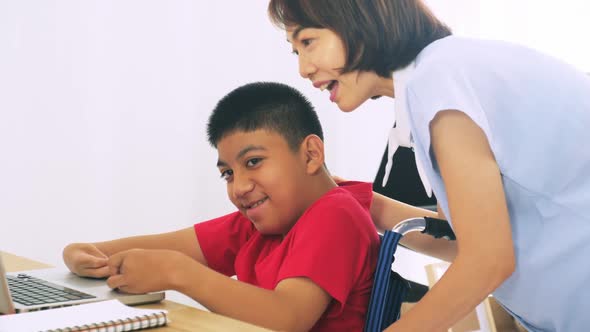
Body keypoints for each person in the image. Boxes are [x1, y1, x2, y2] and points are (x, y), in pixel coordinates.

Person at [268, 0, 590, 331]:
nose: (303, 69)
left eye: (308, 42)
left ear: (357, 19)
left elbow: (487, 260)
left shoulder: (439, 80)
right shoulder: (441, 77)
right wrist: (359, 203)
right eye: (296, 52)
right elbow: (463, 241)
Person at [62, 82, 380, 331]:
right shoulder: (260, 224)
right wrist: (81, 253)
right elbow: (123, 251)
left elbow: (287, 318)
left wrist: (178, 272)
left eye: (253, 162)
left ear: (311, 154)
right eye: (228, 173)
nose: (239, 187)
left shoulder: (335, 214)